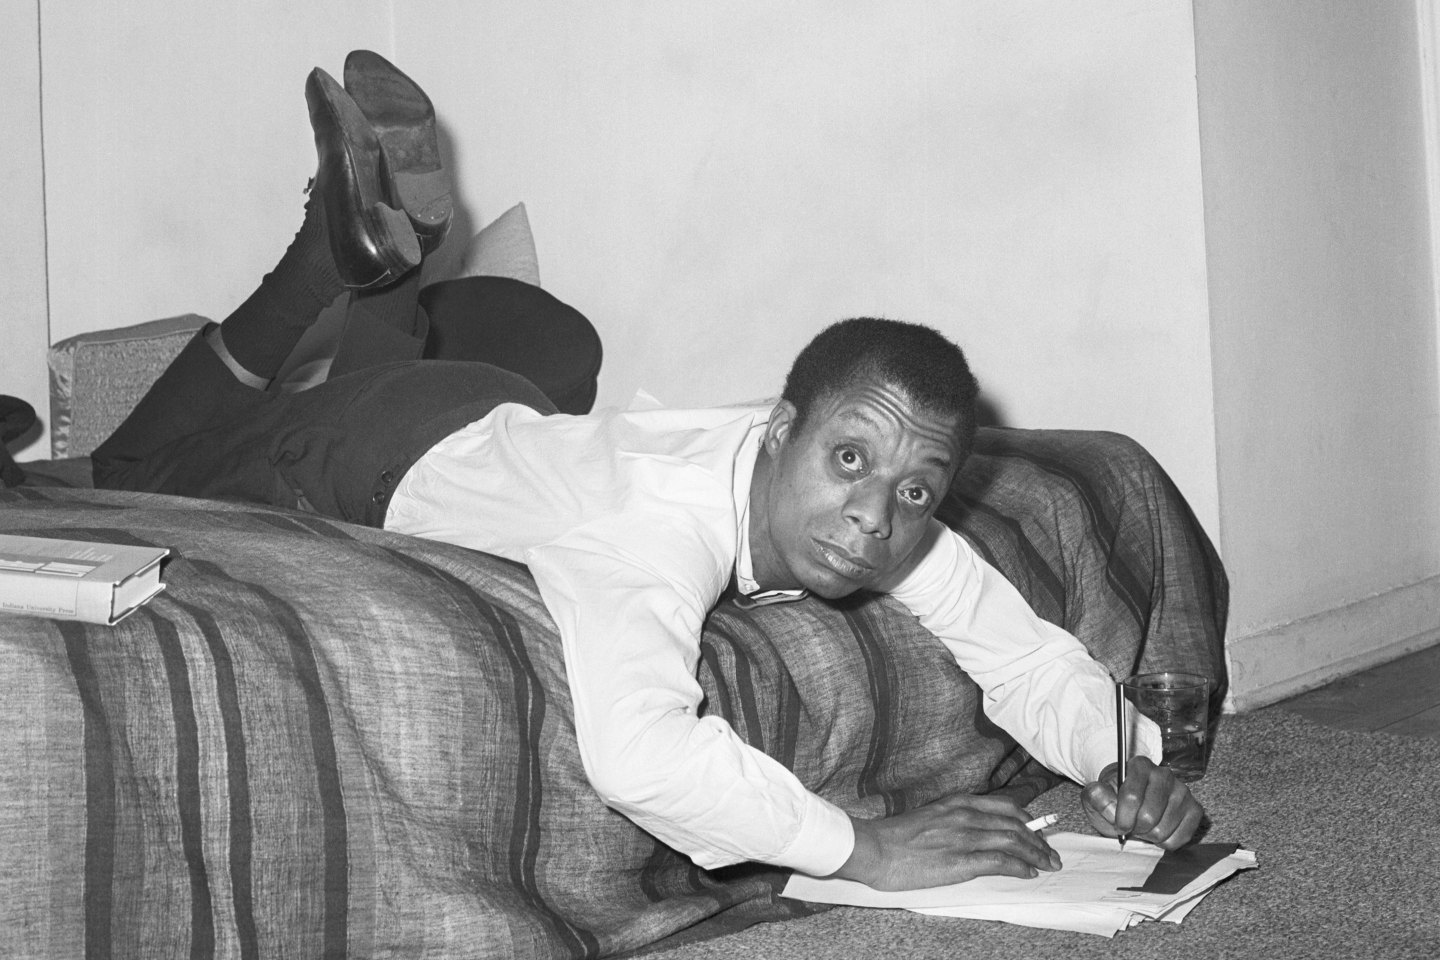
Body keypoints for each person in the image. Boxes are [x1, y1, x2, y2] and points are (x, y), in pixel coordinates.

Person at [94, 52, 1205, 892]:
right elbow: (640, 755)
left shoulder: (875, 507)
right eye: (849, 460)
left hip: (485, 408)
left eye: (914, 488)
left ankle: (390, 262)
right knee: (115, 474)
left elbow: (1021, 653)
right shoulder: (654, 533)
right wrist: (862, 848)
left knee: (452, 363)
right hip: (365, 453)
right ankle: (346, 263)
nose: (874, 516)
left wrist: (1118, 755)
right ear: (780, 427)